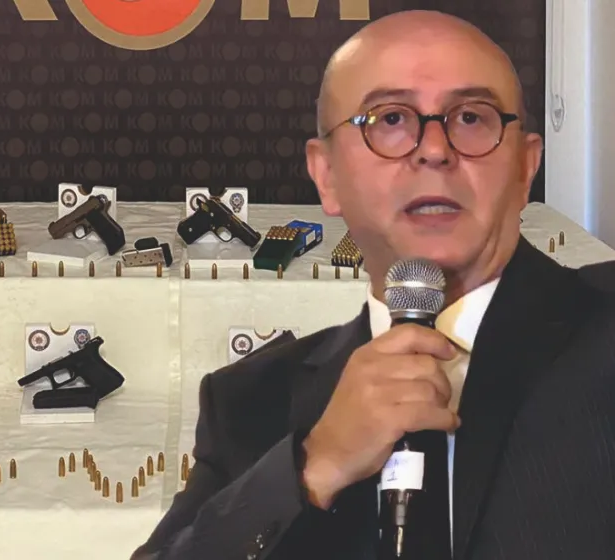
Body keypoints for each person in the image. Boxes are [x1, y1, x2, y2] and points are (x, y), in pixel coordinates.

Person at [133, 9, 615, 560]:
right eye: (390, 119)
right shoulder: (250, 402)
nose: (435, 149)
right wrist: (314, 465)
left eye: (471, 118)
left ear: (526, 167)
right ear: (326, 175)